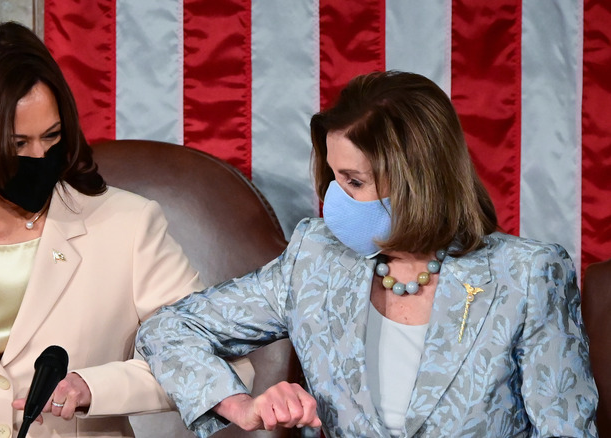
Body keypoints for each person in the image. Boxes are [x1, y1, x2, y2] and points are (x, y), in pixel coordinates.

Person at [0, 22, 252, 438]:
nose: (39, 156)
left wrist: (96, 388)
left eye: (51, 137)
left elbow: (222, 362)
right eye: (17, 144)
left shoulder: (128, 225)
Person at [137, 71, 598, 437]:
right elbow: (168, 328)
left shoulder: (529, 273)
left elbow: (564, 430)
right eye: (335, 177)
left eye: (354, 181)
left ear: (418, 182)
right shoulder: (316, 258)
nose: (334, 198)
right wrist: (239, 404)